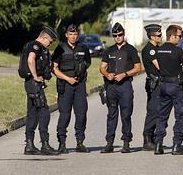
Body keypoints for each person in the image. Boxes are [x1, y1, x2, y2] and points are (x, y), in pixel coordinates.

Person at [152, 25, 183, 155]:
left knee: (162, 115)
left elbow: (161, 65)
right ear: (172, 35)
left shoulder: (159, 50)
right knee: (181, 114)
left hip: (163, 85)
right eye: (179, 36)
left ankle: (158, 144)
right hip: (176, 86)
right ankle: (177, 145)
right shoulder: (178, 50)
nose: (180, 38)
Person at [99, 23, 142, 153]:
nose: (118, 37)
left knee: (126, 115)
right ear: (113, 36)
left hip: (125, 86)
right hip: (111, 86)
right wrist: (107, 74)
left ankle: (126, 142)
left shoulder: (131, 49)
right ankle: (109, 143)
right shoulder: (109, 50)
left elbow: (138, 68)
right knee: (111, 115)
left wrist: (125, 74)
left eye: (120, 35)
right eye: (115, 35)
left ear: (124, 34)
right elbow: (102, 67)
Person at [51, 24, 91, 154]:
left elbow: (87, 63)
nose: (73, 36)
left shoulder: (83, 47)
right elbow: (54, 68)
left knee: (81, 114)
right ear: (66, 35)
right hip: (65, 85)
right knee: (65, 115)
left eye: (75, 34)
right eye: (71, 34)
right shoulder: (60, 49)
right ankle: (62, 143)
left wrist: (80, 73)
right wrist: (67, 78)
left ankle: (80, 142)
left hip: (79, 85)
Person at [21, 26, 59, 155]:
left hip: (32, 84)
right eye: (50, 41)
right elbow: (31, 60)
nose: (51, 43)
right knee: (43, 112)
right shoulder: (35, 46)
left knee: (32, 113)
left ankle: (29, 145)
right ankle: (45, 144)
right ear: (44, 37)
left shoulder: (37, 46)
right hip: (33, 83)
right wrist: (36, 77)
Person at [141, 23, 162, 151]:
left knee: (159, 111)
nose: (160, 36)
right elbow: (160, 66)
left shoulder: (157, 48)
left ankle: (153, 138)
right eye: (158, 35)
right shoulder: (150, 49)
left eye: (160, 34)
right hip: (155, 84)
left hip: (160, 83)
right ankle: (147, 140)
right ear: (151, 36)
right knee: (153, 111)